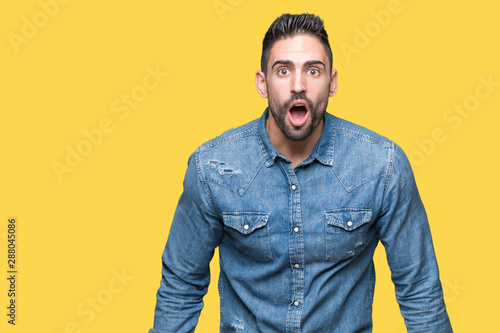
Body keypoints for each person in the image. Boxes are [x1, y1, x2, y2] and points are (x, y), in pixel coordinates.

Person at [148, 13, 453, 333]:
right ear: (262, 83)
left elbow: (420, 291)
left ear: (332, 82)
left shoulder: (383, 165)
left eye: (313, 70)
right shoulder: (212, 167)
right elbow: (181, 288)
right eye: (283, 71)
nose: (298, 85)